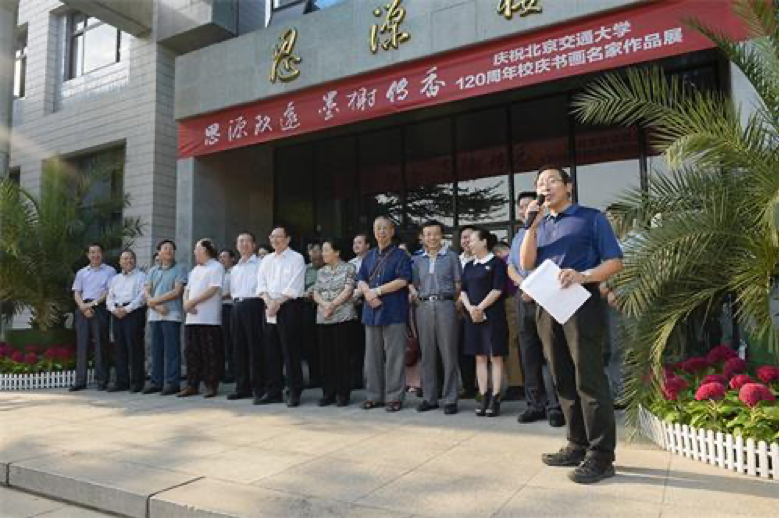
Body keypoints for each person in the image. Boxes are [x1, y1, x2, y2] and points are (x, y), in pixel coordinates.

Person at [520, 165, 623, 484]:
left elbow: (614, 262)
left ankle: (601, 456)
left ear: (568, 187)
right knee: (562, 377)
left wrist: (584, 275)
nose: (545, 187)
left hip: (582, 302)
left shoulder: (591, 218)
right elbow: (526, 263)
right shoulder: (539, 223)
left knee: (588, 378)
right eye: (540, 183)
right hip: (548, 305)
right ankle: (577, 444)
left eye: (552, 181)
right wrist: (531, 227)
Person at [508, 191, 564, 427]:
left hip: (547, 298)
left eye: (529, 205)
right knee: (528, 355)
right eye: (521, 207)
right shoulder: (518, 236)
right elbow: (511, 267)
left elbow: (553, 264)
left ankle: (556, 407)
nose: (525, 210)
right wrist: (526, 286)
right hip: (523, 298)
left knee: (552, 355)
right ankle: (534, 405)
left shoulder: (550, 230)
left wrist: (536, 289)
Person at [357, 216, 412, 412]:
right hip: (371, 312)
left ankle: (394, 397)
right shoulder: (369, 256)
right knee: (372, 357)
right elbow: (361, 278)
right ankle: (374, 395)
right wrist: (367, 293)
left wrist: (377, 291)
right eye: (377, 228)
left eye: (384, 228)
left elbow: (403, 280)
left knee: (395, 357)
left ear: (392, 231)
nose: (381, 231)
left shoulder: (401, 255)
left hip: (393, 311)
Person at [409, 221, 462, 415]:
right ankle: (429, 398)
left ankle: (450, 398)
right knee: (427, 354)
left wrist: (451, 301)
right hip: (423, 307)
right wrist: (416, 295)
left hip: (445, 305)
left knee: (448, 353)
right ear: (422, 237)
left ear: (441, 236)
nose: (432, 238)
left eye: (435, 234)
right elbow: (413, 283)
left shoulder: (451, 257)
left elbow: (458, 284)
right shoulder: (417, 259)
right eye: (428, 234)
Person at [256, 225, 306, 407]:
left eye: (278, 236)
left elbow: (295, 285)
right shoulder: (266, 260)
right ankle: (273, 390)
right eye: (272, 237)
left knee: (290, 351)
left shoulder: (297, 258)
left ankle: (294, 391)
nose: (275, 240)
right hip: (269, 307)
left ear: (287, 239)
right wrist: (269, 301)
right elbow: (261, 284)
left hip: (288, 306)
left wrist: (277, 302)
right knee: (271, 350)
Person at [461, 229, 509, 417]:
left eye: (472, 240)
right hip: (473, 317)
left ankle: (496, 397)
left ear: (484, 242)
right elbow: (463, 291)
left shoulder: (496, 263)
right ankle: (484, 396)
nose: (469, 243)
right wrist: (471, 309)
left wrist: (480, 308)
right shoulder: (469, 266)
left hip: (493, 316)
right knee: (479, 357)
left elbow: (498, 289)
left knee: (495, 356)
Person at [312, 238, 357, 407]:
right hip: (324, 317)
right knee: (326, 357)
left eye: (326, 250)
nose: (322, 254)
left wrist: (333, 305)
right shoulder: (321, 271)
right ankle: (328, 393)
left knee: (341, 356)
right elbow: (315, 292)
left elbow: (348, 289)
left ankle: (342, 393)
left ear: (336, 252)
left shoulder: (349, 268)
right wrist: (325, 305)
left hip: (342, 317)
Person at [180, 239, 225, 398]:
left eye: (196, 249)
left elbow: (213, 289)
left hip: (209, 319)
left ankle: (211, 385)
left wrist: (193, 302)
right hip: (192, 318)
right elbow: (187, 290)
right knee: (192, 353)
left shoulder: (216, 267)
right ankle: (192, 385)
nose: (194, 252)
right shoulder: (195, 270)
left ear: (204, 250)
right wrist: (186, 303)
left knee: (210, 353)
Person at [70, 243, 116, 391]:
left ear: (102, 254)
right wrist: (83, 306)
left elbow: (109, 292)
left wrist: (92, 304)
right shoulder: (81, 272)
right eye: (92, 252)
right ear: (88, 255)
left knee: (101, 345)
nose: (95, 255)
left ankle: (102, 380)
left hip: (100, 308)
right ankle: (80, 381)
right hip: (83, 309)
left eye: (98, 252)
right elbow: (77, 292)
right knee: (82, 345)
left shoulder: (110, 271)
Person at [144, 240, 187, 396]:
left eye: (171, 249)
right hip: (155, 315)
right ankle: (156, 382)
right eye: (165, 248)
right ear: (159, 252)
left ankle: (172, 383)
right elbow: (147, 291)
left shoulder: (180, 269)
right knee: (155, 350)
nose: (169, 250)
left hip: (171, 314)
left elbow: (177, 291)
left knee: (172, 351)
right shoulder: (153, 271)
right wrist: (156, 305)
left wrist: (155, 301)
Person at [228, 232, 266, 404]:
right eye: (240, 241)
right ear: (237, 245)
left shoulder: (261, 264)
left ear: (254, 245)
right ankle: (242, 387)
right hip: (237, 306)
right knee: (238, 348)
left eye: (247, 241)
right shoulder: (235, 268)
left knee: (255, 348)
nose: (243, 244)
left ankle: (259, 388)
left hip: (254, 305)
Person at [106, 249, 146, 393]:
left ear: (135, 260)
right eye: (125, 258)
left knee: (135, 348)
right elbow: (109, 297)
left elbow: (142, 296)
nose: (128, 261)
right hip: (117, 314)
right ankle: (122, 381)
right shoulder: (115, 279)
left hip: (134, 313)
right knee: (119, 348)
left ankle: (137, 382)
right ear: (120, 262)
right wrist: (113, 309)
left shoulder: (142, 276)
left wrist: (127, 309)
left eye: (131, 258)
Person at [456, 225, 478, 399]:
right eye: (464, 237)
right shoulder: (456, 260)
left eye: (470, 237)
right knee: (462, 349)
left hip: (478, 308)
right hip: (459, 311)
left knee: (480, 348)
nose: (466, 240)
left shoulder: (483, 259)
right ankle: (468, 385)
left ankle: (484, 386)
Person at [348, 233, 371, 389]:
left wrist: (358, 294)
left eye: (359, 242)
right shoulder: (350, 263)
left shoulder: (373, 260)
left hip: (368, 303)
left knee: (368, 344)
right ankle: (356, 379)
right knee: (355, 344)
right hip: (352, 305)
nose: (356, 245)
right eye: (354, 243)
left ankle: (371, 379)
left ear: (367, 245)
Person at [303, 241, 324, 388]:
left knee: (325, 344)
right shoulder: (305, 269)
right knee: (310, 344)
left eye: (317, 252)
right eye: (311, 254)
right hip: (308, 308)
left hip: (325, 307)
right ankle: (314, 377)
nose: (314, 256)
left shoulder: (329, 268)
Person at [218, 248, 236, 383]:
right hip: (221, 308)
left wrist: (220, 297)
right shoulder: (220, 273)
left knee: (231, 340)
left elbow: (235, 291)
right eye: (220, 257)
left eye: (224, 257)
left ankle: (233, 371)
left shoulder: (235, 272)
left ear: (232, 258)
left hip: (231, 307)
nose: (222, 259)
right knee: (223, 341)